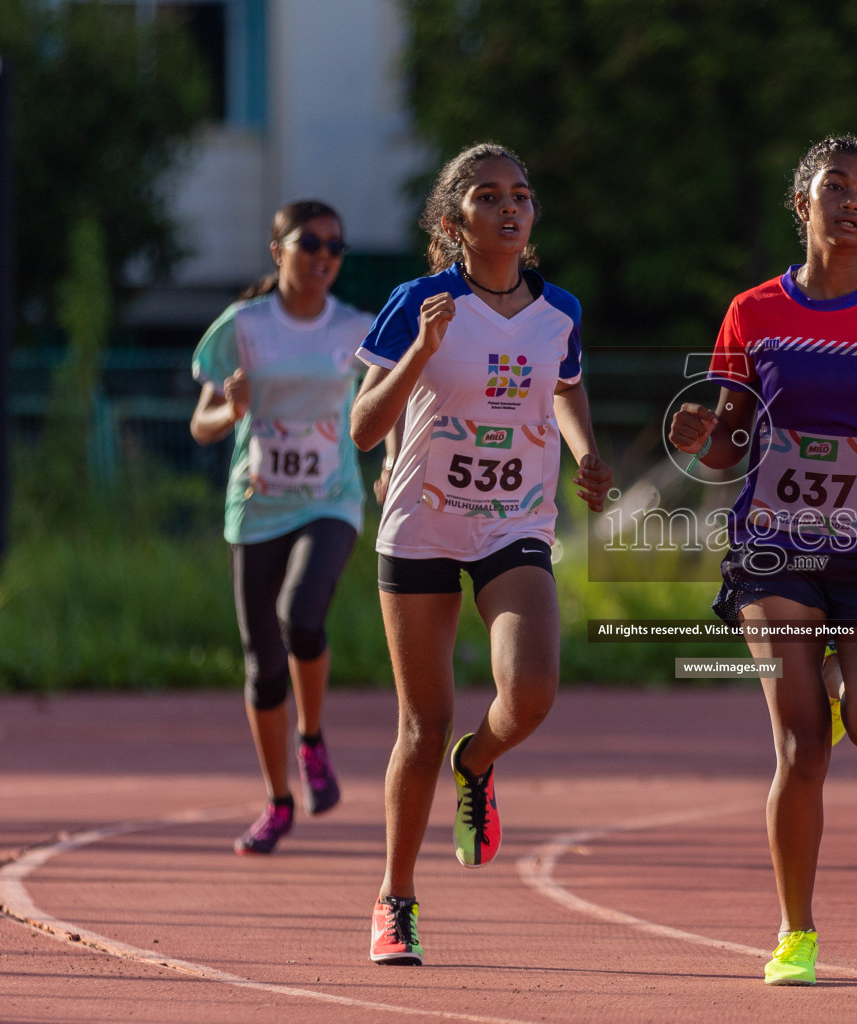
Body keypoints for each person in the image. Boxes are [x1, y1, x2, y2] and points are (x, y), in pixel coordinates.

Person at [668, 135, 857, 986]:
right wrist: (701, 439)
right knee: (801, 747)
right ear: (802, 205)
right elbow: (727, 441)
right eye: (835, 187)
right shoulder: (753, 313)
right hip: (773, 548)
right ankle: (795, 933)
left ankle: (842, 683)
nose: (852, 203)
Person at [351, 143, 611, 966]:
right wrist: (422, 354)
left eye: (522, 195)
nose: (510, 207)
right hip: (423, 521)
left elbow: (564, 385)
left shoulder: (558, 309)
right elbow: (361, 428)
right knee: (421, 727)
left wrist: (585, 454)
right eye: (490, 195)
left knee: (529, 692)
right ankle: (395, 901)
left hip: (513, 523)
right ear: (453, 219)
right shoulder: (419, 301)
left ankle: (482, 759)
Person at [190, 200, 376, 855]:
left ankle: (312, 738)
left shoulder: (357, 327)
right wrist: (230, 410)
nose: (324, 255)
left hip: (331, 499)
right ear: (278, 251)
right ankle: (277, 801)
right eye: (310, 242)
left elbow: (400, 396)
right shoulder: (243, 327)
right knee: (263, 666)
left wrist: (395, 461)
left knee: (303, 616)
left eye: (336, 246)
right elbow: (203, 423)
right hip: (257, 505)